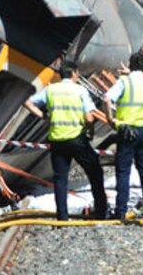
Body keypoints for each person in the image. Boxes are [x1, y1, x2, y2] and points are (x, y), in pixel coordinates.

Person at [24, 60, 108, 221]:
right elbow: (89, 116)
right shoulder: (80, 90)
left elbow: (27, 102)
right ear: (74, 73)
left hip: (57, 139)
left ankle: (62, 217)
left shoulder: (51, 90)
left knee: (60, 179)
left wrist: (44, 117)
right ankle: (101, 212)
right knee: (95, 172)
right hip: (77, 138)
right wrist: (90, 131)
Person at [104, 52, 143, 219]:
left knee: (123, 172)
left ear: (130, 64)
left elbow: (107, 99)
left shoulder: (124, 81)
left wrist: (111, 119)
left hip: (127, 130)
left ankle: (121, 211)